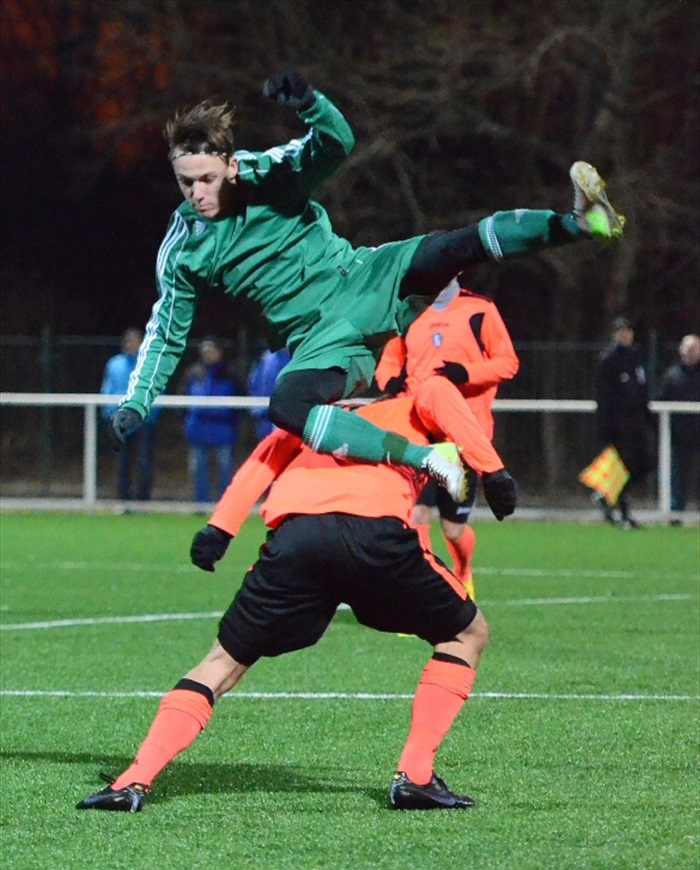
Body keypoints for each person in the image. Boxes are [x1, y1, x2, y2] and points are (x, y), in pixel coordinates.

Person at [105, 70, 624, 506]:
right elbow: (167, 331)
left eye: (206, 179)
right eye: (185, 182)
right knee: (287, 405)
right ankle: (428, 459)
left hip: (366, 276)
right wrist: (138, 400)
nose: (196, 193)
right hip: (322, 338)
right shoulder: (182, 249)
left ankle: (578, 223)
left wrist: (312, 105)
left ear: (231, 166)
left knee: (451, 247)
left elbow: (334, 145)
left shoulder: (267, 176)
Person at [77, 388, 518, 813]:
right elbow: (454, 410)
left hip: (297, 537)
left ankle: (131, 781)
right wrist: (494, 471)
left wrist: (220, 528)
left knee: (222, 662)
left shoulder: (312, 414)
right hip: (375, 532)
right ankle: (415, 778)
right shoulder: (418, 400)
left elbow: (262, 462)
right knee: (466, 632)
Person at [375, 281, 519, 597]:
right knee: (415, 514)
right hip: (419, 435)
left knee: (453, 530)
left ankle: (463, 570)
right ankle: (420, 594)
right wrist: (390, 381)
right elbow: (389, 360)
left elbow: (508, 362)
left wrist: (466, 373)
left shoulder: (480, 309)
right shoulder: (409, 312)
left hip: (464, 437)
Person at [594, 316, 654, 529]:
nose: (625, 334)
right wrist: (605, 425)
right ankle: (624, 514)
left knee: (645, 464)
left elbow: (642, 388)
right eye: (621, 331)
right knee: (624, 466)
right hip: (618, 424)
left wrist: (648, 417)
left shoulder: (637, 356)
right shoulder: (609, 359)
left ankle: (606, 496)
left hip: (637, 422)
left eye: (628, 330)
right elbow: (603, 396)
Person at [181, 337, 244, 503]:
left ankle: (226, 503)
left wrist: (232, 421)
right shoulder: (192, 373)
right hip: (198, 429)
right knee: (198, 467)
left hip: (223, 429)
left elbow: (241, 399)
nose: (209, 354)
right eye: (206, 351)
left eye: (212, 351)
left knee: (225, 467)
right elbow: (181, 400)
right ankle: (201, 503)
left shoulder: (231, 373)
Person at [100, 327, 160, 501]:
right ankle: (123, 498)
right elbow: (107, 390)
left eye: (135, 342)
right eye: (129, 342)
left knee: (144, 461)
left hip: (144, 420)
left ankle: (143, 499)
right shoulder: (114, 364)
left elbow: (158, 389)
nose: (132, 345)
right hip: (120, 420)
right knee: (122, 461)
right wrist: (110, 414)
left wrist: (150, 413)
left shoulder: (150, 364)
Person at [658, 334, 700, 519]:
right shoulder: (672, 375)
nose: (691, 352)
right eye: (688, 348)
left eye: (695, 348)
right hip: (678, 435)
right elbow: (661, 400)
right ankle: (676, 511)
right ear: (681, 350)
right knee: (677, 475)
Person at [247, 346, 291, 440]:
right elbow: (254, 385)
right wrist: (256, 409)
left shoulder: (297, 357)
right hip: (265, 419)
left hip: (290, 421)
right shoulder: (264, 359)